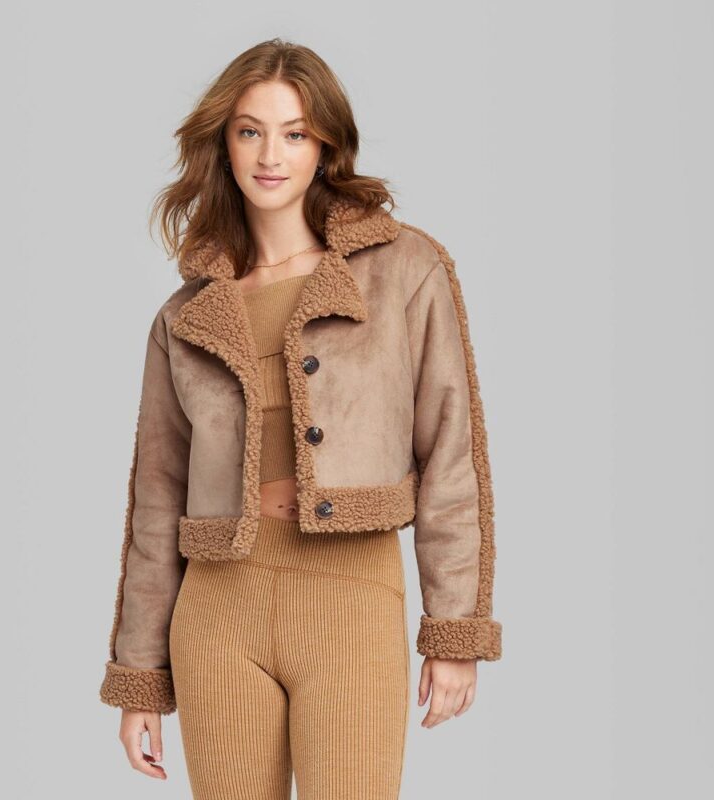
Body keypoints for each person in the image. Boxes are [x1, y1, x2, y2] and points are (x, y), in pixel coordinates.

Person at [98, 37, 502, 800]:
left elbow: (454, 453)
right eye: (250, 131)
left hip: (350, 597)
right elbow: (156, 499)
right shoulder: (185, 316)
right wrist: (139, 675)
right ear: (223, 144)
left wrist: (455, 630)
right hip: (217, 610)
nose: (270, 155)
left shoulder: (405, 269)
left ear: (326, 147)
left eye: (295, 133)